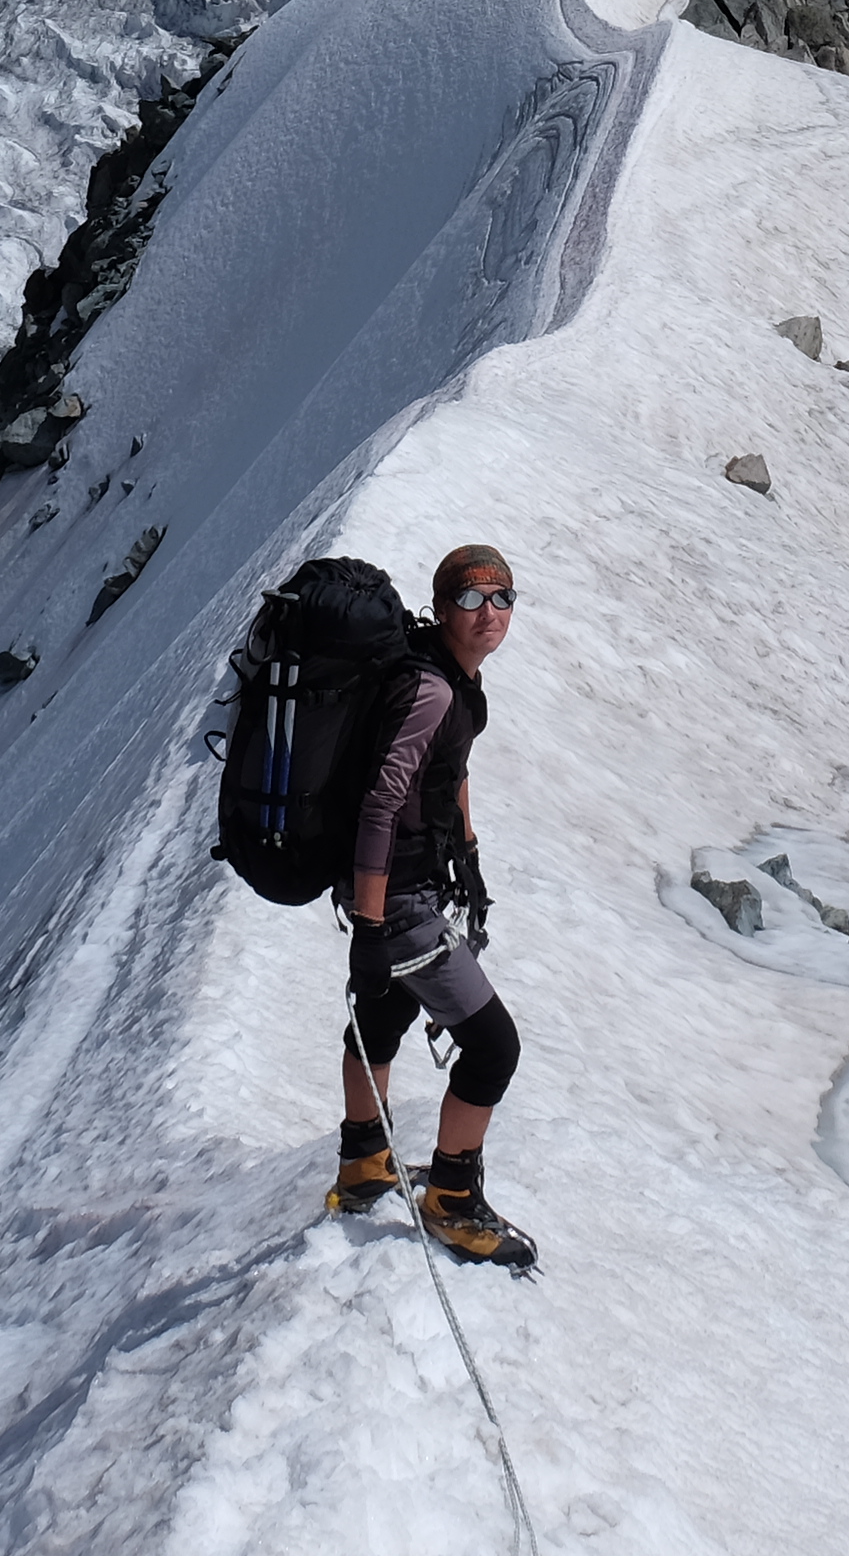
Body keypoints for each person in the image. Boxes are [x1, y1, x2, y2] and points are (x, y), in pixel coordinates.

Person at [333, 543, 535, 1267]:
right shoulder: (434, 691)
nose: (491, 615)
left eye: (503, 599)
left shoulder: (450, 677)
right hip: (396, 897)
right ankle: (452, 1200)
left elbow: (449, 769)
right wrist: (368, 925)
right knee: (492, 1046)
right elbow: (382, 802)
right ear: (442, 606)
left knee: (385, 1012)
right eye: (474, 600)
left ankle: (363, 1165)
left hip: (401, 887)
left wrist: (470, 850)